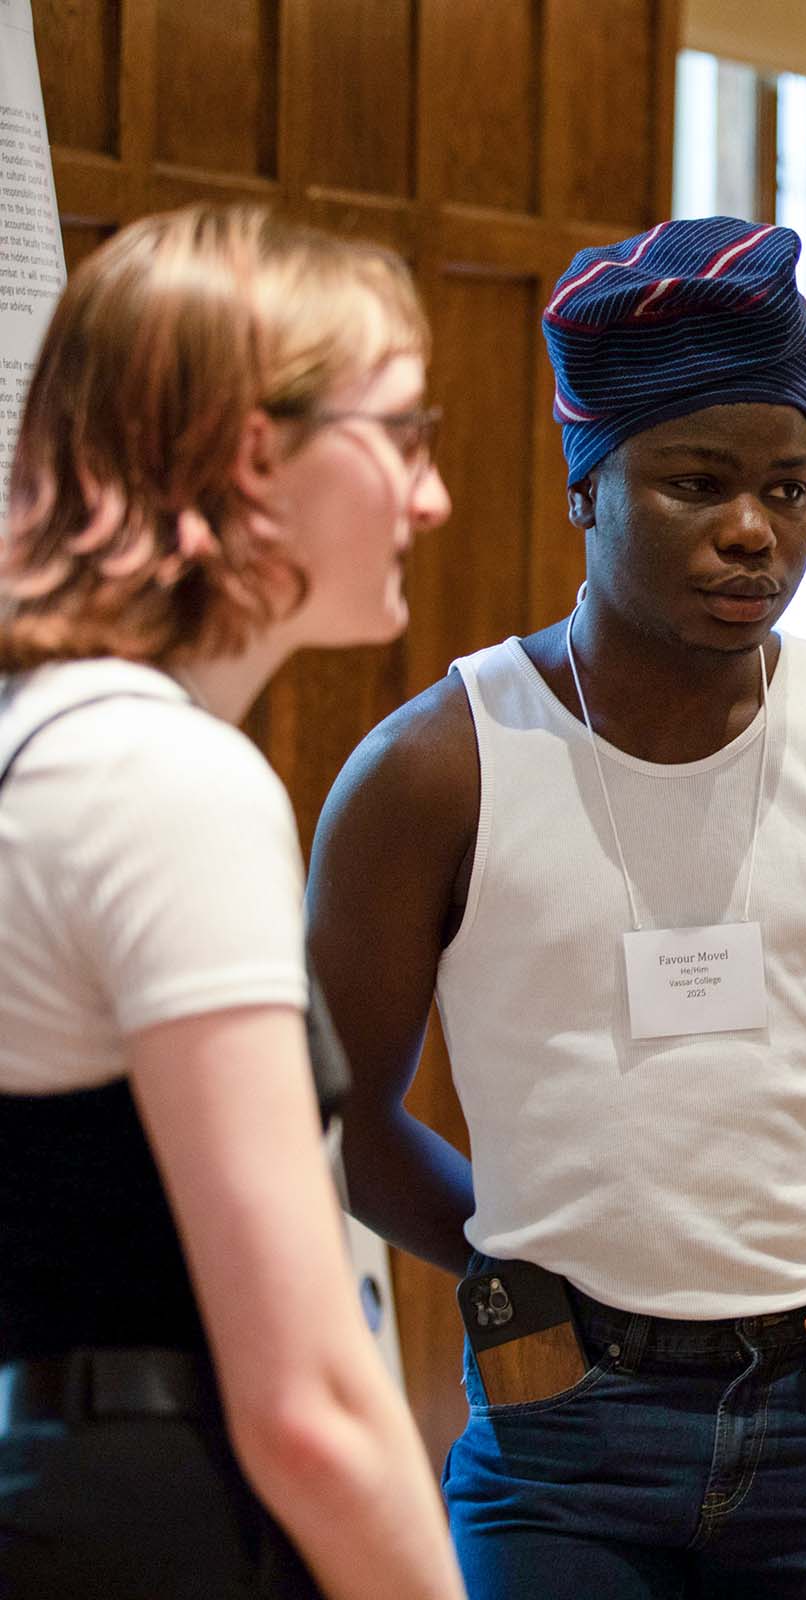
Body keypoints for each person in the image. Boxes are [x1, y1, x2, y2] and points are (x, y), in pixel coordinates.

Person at [308, 215, 806, 1600]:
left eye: (791, 485)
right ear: (587, 486)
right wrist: (506, 1268)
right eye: (695, 484)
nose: (754, 532)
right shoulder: (436, 769)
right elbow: (335, 1106)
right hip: (561, 1423)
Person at [0, 204, 463, 1599]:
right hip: (158, 1531)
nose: (430, 498)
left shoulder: (47, 733)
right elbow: (309, 1411)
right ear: (259, 454)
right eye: (402, 434)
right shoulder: (163, 780)